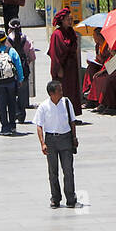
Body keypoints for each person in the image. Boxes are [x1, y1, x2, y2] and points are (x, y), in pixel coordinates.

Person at [34, 78, 78, 209]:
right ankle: (55, 198)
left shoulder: (66, 102)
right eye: (59, 90)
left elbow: (72, 121)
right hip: (51, 141)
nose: (61, 92)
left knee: (68, 170)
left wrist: (74, 137)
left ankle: (70, 197)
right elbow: (39, 126)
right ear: (51, 93)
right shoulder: (43, 106)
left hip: (65, 138)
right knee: (53, 172)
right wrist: (42, 143)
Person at [48, 7, 81, 117]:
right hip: (62, 68)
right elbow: (54, 54)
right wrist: (59, 69)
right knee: (62, 91)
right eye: (68, 19)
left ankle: (72, 115)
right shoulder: (57, 35)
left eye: (71, 19)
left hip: (71, 67)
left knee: (72, 91)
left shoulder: (71, 32)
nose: (70, 21)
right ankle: (62, 115)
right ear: (62, 20)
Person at [7, 17, 36, 123]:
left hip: (10, 70)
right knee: (22, 93)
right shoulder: (27, 39)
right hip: (24, 69)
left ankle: (15, 111)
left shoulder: (7, 40)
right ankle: (22, 114)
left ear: (9, 29)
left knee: (11, 92)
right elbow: (32, 56)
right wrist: (26, 61)